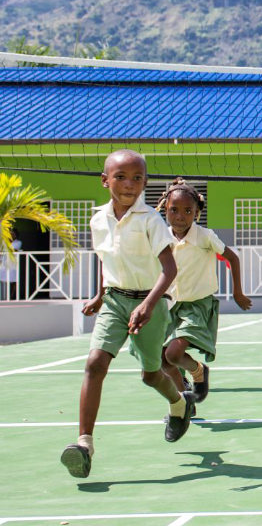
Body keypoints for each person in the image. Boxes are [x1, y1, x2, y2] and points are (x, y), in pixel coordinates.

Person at [60, 150, 193, 479]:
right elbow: (107, 261)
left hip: (151, 302)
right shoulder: (97, 219)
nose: (129, 184)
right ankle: (84, 444)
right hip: (116, 301)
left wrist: (148, 304)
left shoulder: (150, 220)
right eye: (120, 177)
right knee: (94, 363)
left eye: (137, 178)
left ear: (146, 183)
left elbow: (169, 269)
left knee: (151, 374)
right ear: (105, 180)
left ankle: (179, 404)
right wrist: (99, 294)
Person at [158, 178, 252, 405]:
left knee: (173, 354)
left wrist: (237, 292)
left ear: (197, 212)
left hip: (196, 306)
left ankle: (199, 372)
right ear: (165, 210)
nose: (180, 216)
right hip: (168, 304)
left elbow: (232, 257)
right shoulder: (160, 236)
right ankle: (184, 403)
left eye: (188, 211)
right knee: (162, 361)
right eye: (174, 210)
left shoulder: (205, 236)